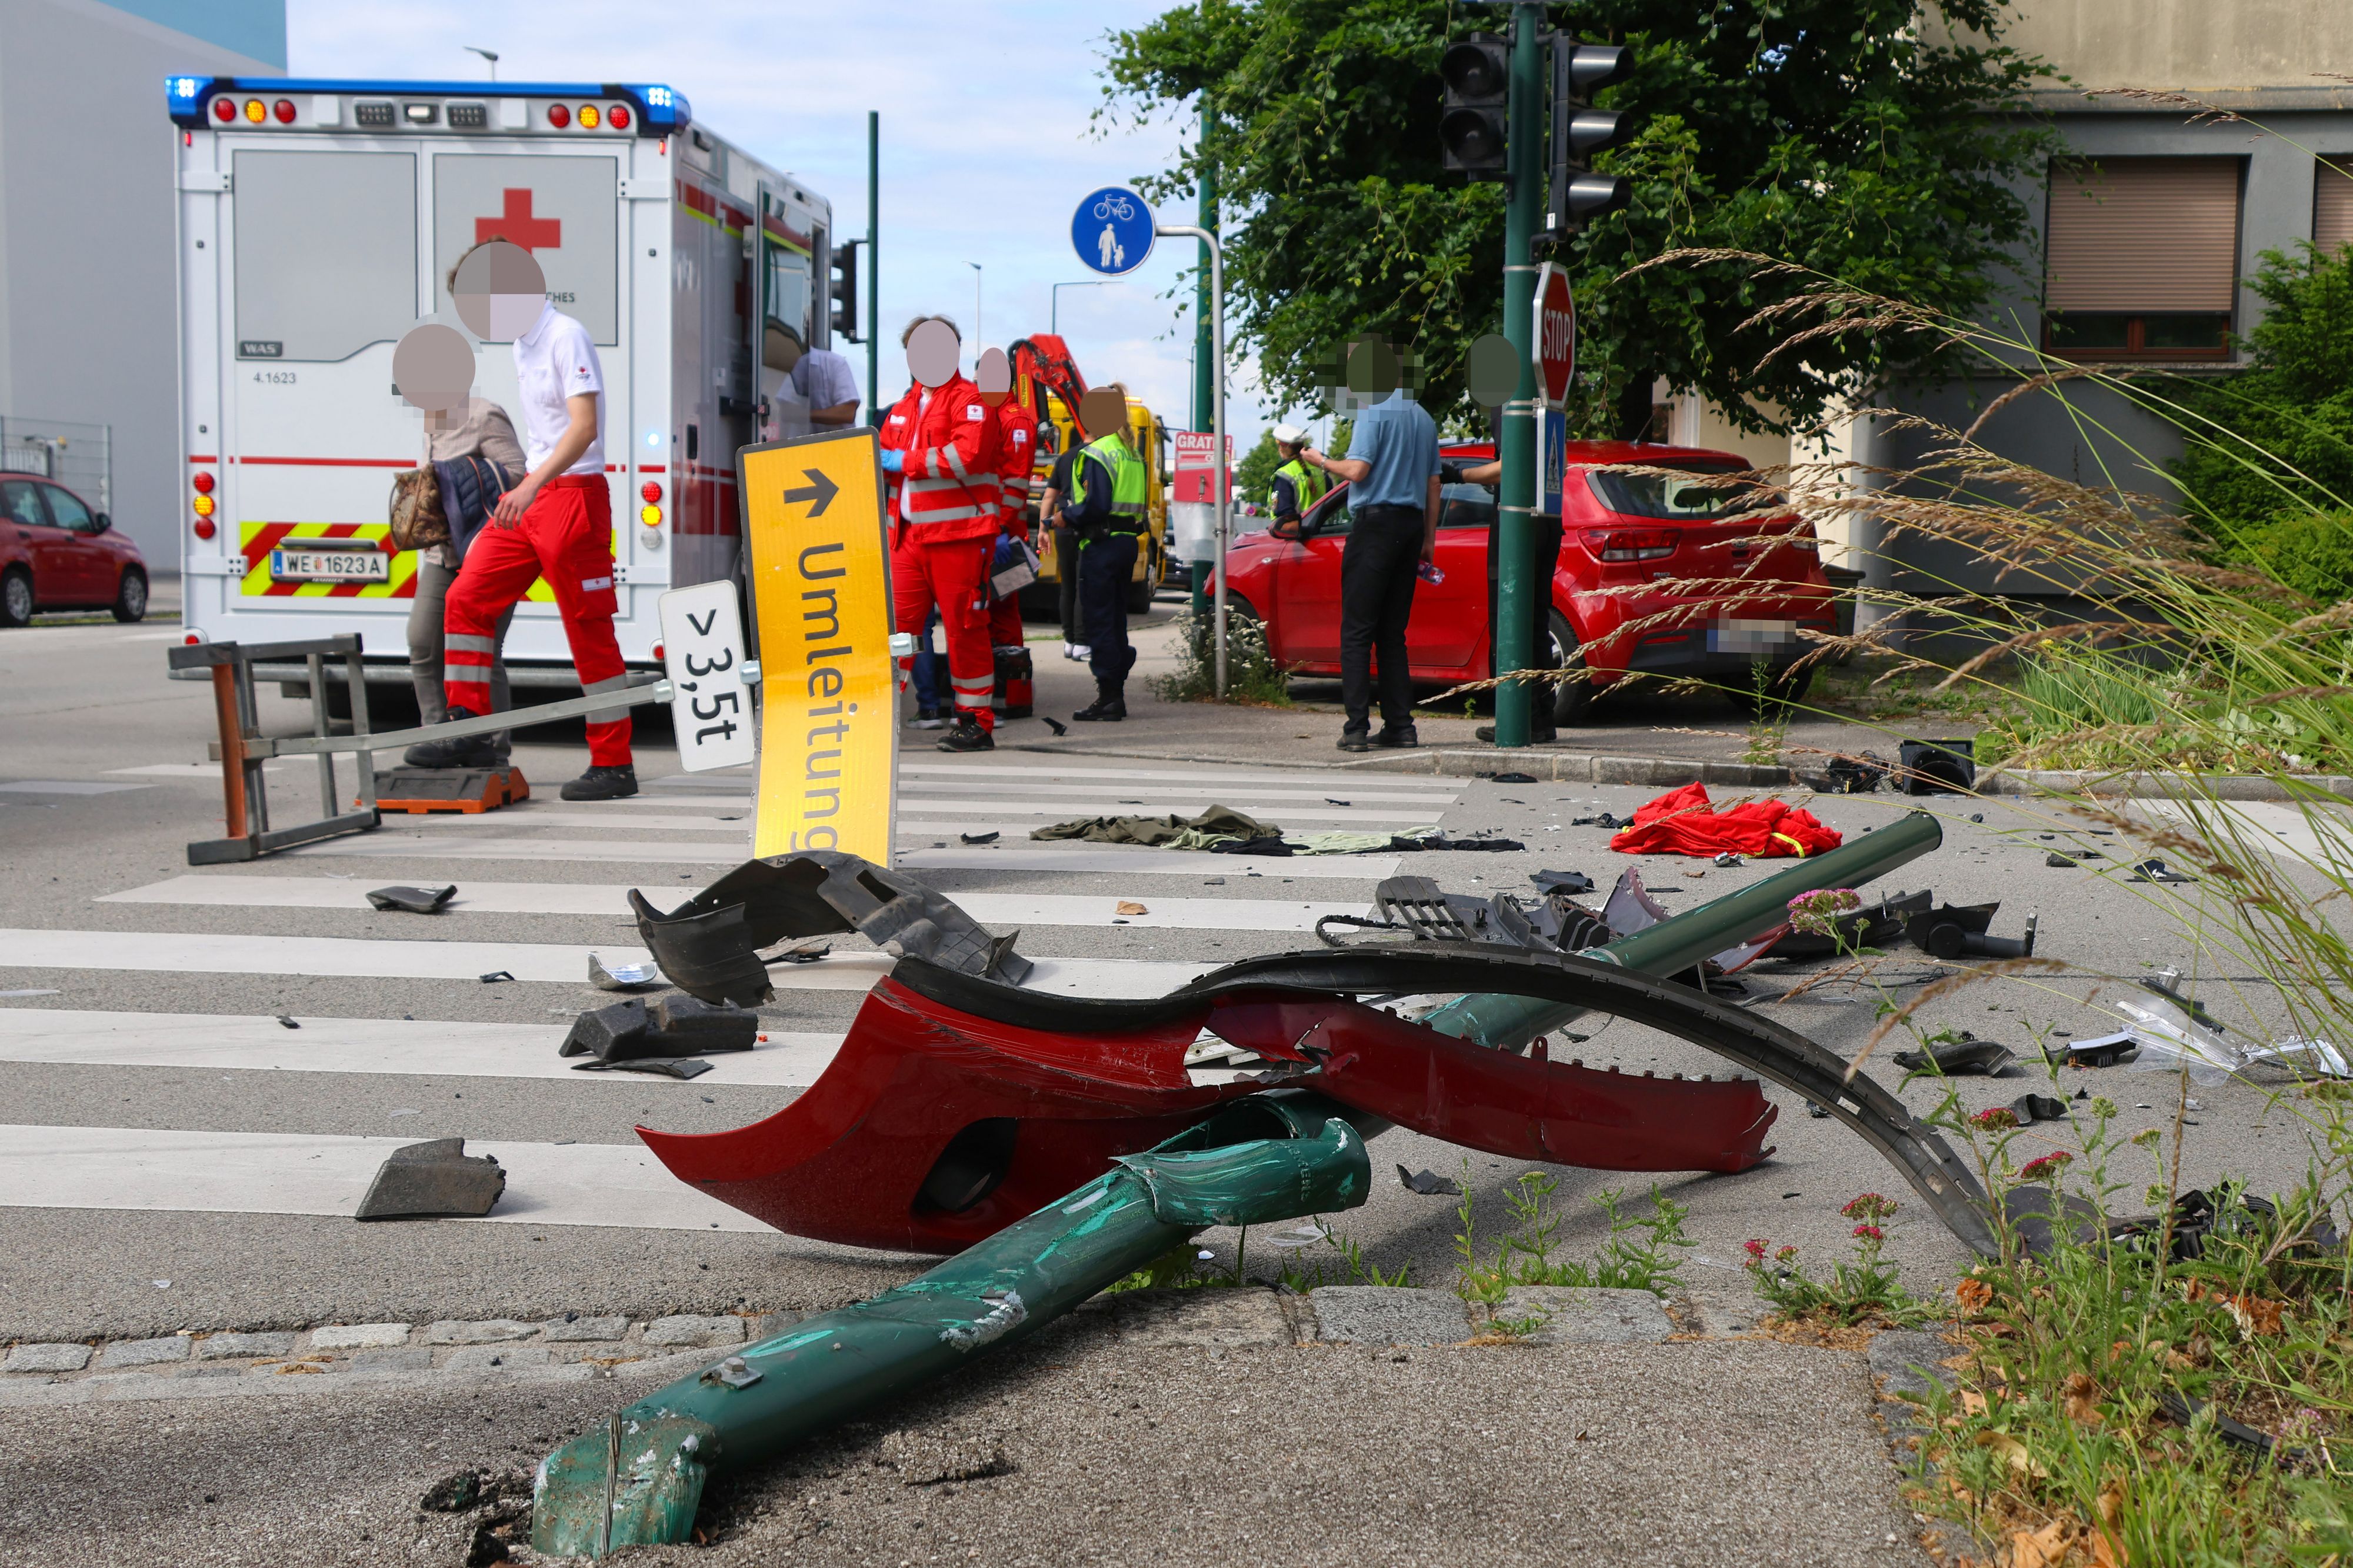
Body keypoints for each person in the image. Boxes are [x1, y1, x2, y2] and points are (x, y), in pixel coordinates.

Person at [412, 238, 637, 800]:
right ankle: (471, 731)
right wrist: (527, 486)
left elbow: (584, 426)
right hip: (534, 498)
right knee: (467, 598)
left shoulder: (566, 336)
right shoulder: (520, 344)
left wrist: (531, 483)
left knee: (588, 630)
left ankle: (614, 765)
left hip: (573, 496)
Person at [879, 316, 1003, 752]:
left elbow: (966, 455)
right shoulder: (903, 407)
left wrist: (901, 461)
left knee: (965, 629)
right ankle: (876, 720)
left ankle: (974, 723)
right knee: (895, 634)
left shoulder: (973, 400)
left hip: (959, 536)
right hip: (908, 539)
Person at [1298, 383, 1441, 752]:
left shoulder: (1374, 411)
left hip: (1376, 526)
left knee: (1358, 630)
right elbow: (1434, 485)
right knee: (1393, 634)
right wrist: (1429, 540)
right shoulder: (1425, 419)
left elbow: (1359, 470)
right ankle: (1401, 726)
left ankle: (1356, 729)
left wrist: (1321, 461)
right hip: (1411, 528)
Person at [406, 395, 525, 765]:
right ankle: (439, 739)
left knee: (484, 653)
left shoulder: (483, 414)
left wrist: (463, 480)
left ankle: (493, 749)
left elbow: (520, 474)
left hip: (487, 553)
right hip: (442, 555)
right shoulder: (430, 415)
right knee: (422, 642)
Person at [1453, 456, 1565, 745]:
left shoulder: (1509, 410)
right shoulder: (1549, 414)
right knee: (1536, 625)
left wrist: (1459, 475)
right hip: (1547, 519)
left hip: (1517, 523)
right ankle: (1541, 720)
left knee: (1510, 622)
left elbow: (1513, 462)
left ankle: (1518, 721)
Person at [1058, 384, 1149, 722]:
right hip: (1127, 544)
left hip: (1101, 544)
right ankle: (1119, 667)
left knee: (1098, 622)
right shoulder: (1132, 453)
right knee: (1114, 619)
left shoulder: (1098, 452)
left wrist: (1064, 516)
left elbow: (1095, 505)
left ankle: (1110, 695)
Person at [987, 375, 1040, 715]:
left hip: (1005, 534)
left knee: (1003, 611)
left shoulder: (1015, 419)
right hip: (993, 529)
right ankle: (1001, 687)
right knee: (989, 611)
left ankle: (1013, 690)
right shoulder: (994, 415)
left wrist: (1002, 528)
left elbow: (1016, 481)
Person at [1036, 428, 1087, 659]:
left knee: (1068, 585)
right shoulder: (1101, 454)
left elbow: (1049, 496)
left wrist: (1043, 529)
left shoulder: (1066, 456)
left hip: (1063, 525)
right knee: (1084, 585)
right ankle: (1083, 642)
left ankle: (1069, 640)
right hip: (1088, 526)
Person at [1266, 423, 1328, 538]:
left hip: (1294, 539)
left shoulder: (1284, 474)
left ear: (1281, 448)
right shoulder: (1319, 469)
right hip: (1321, 535)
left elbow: (1285, 518)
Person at [792, 345, 862, 428]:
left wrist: (801, 415)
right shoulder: (781, 370)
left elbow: (848, 412)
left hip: (837, 440)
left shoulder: (834, 363)